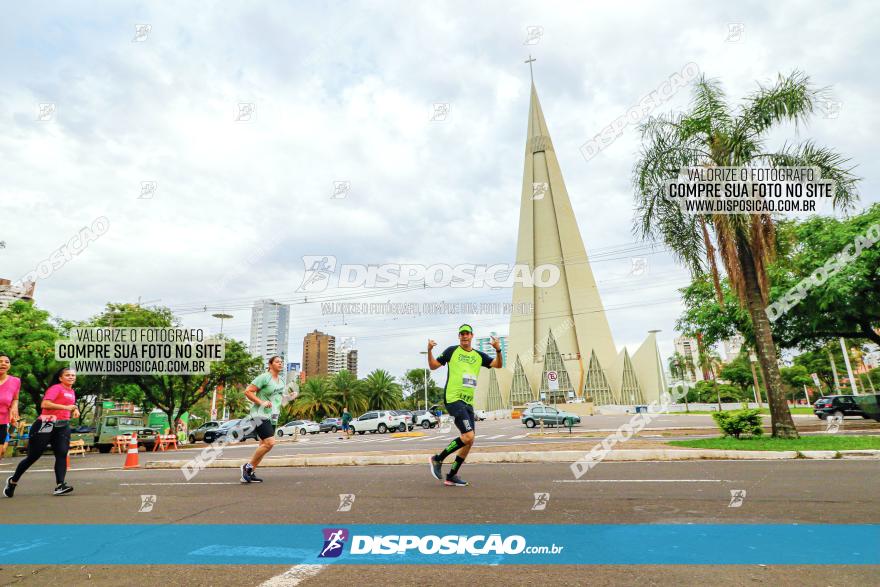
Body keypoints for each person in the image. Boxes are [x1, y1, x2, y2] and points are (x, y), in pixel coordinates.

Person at [427, 324, 502, 486]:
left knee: (470, 440)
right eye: (462, 334)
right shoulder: (451, 351)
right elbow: (433, 366)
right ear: (459, 337)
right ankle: (437, 459)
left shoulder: (478, 356)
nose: (464, 336)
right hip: (453, 398)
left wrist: (498, 350)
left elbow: (498, 364)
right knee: (468, 436)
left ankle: (451, 476)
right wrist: (429, 351)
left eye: (467, 333)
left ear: (472, 336)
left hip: (468, 402)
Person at [4, 367, 80, 497]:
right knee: (34, 456)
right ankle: (13, 481)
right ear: (60, 378)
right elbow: (45, 404)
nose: (71, 377)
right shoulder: (56, 388)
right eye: (68, 375)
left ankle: (60, 485)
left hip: (62, 425)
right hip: (47, 422)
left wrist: (74, 409)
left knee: (62, 454)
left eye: (73, 375)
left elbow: (68, 404)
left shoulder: (71, 391)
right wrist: (66, 407)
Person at [240, 356, 294, 483]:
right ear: (270, 364)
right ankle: (247, 467)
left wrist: (289, 397)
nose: (280, 363)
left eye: (281, 362)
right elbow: (248, 391)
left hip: (273, 416)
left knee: (264, 445)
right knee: (270, 443)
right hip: (259, 414)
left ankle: (250, 472)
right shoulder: (264, 377)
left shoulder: (281, 381)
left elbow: (279, 399)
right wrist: (261, 402)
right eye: (277, 362)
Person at [0, 354, 21, 465]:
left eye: (6, 362)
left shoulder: (15, 381)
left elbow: (15, 399)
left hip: (2, 421)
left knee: (1, 451)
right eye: (0, 361)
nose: (3, 363)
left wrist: (14, 408)